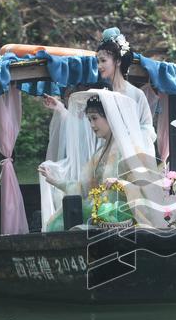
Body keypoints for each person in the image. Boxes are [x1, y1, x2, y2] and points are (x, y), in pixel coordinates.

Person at [38, 89, 165, 231]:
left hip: (124, 220)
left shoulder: (130, 149)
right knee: (61, 224)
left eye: (95, 118)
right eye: (89, 119)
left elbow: (146, 188)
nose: (92, 125)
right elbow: (84, 188)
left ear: (110, 117)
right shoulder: (99, 153)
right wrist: (56, 181)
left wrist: (121, 183)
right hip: (100, 218)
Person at [97, 28, 157, 150]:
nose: (99, 66)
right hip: (105, 154)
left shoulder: (137, 94)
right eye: (98, 61)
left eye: (103, 61)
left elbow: (148, 129)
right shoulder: (101, 93)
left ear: (118, 61)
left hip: (131, 157)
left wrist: (129, 138)